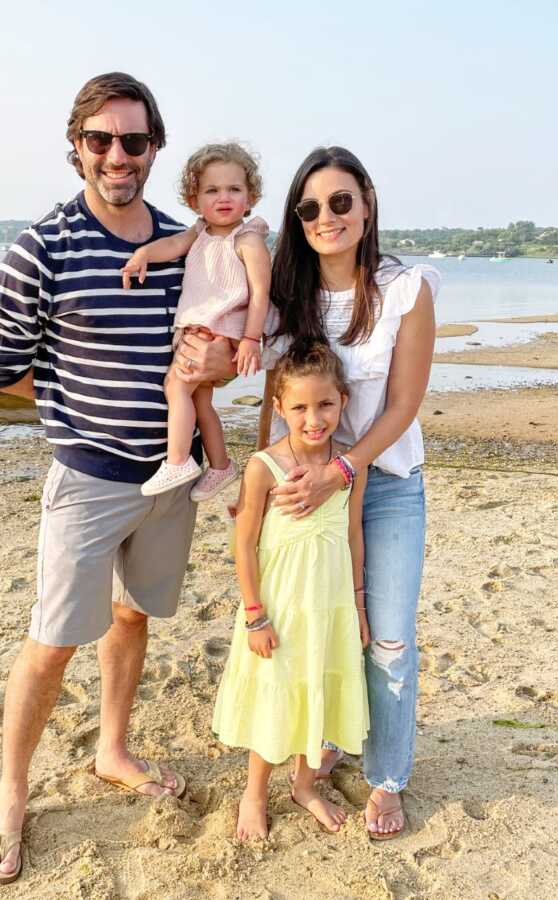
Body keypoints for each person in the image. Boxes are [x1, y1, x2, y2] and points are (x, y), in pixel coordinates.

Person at [0, 72, 236, 885]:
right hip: (86, 476)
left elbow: (209, 343)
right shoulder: (42, 246)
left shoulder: (190, 242)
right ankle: (10, 795)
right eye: (101, 140)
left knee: (132, 617)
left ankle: (112, 749)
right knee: (51, 644)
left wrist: (219, 366)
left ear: (155, 149)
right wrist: (70, 402)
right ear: (76, 147)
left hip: (170, 476)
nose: (117, 155)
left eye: (134, 140)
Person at [261, 146, 440, 841]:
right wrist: (262, 482)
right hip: (308, 491)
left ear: (366, 202)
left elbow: (404, 402)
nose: (326, 217)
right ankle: (327, 740)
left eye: (340, 201)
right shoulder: (287, 299)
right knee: (322, 627)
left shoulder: (407, 289)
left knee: (387, 636)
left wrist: (347, 468)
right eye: (309, 207)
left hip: (387, 484)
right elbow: (275, 406)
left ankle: (387, 776)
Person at [211, 343, 370, 840]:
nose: (313, 418)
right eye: (299, 407)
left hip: (330, 604)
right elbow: (245, 544)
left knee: (316, 685)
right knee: (276, 691)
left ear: (342, 401)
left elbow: (353, 533)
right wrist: (255, 614)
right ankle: (254, 793)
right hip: (278, 606)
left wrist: (359, 605)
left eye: (324, 404)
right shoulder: (265, 466)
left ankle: (305, 785)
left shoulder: (349, 466)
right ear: (279, 408)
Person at [121, 142, 276, 501]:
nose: (224, 197)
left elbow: (260, 293)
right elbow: (173, 245)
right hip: (202, 330)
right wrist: (144, 254)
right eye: (212, 190)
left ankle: (177, 460)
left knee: (175, 386)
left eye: (234, 189)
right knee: (201, 402)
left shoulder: (248, 239)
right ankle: (220, 465)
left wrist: (251, 339)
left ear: (250, 196)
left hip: (218, 330)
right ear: (194, 200)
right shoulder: (201, 232)